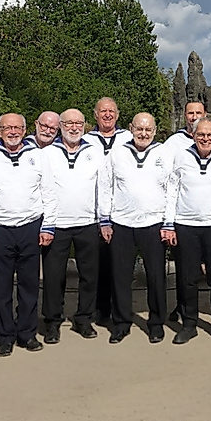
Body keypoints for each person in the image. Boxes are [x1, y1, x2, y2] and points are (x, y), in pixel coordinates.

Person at [0, 113, 57, 357]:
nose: (12, 132)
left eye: (17, 127)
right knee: (1, 286)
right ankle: (5, 336)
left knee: (29, 285)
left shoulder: (37, 156)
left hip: (31, 227)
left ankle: (27, 334)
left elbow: (49, 193)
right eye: (7, 128)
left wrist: (48, 226)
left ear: (24, 130)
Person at [98, 113, 171, 345]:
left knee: (156, 277)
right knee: (120, 277)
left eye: (148, 129)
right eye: (139, 129)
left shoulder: (164, 153)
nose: (143, 133)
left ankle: (157, 323)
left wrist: (168, 222)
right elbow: (105, 185)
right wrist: (104, 220)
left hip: (153, 224)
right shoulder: (117, 153)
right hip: (122, 223)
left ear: (155, 130)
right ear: (131, 128)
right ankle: (121, 323)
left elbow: (173, 189)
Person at [163, 117, 211, 345]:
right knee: (187, 278)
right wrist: (169, 223)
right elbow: (172, 190)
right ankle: (189, 325)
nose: (205, 139)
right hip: (186, 225)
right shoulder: (182, 156)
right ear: (193, 135)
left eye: (210, 135)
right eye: (201, 135)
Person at [39, 109, 104, 343]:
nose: (74, 127)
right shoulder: (47, 154)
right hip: (57, 224)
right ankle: (52, 322)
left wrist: (103, 218)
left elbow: (103, 187)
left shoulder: (94, 153)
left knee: (89, 275)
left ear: (85, 125)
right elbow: (43, 190)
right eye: (69, 123)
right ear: (61, 126)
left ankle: (84, 319)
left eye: (78, 123)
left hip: (88, 223)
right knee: (54, 276)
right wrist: (46, 224)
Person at [87, 97, 133, 327]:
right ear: (95, 115)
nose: (107, 115)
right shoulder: (86, 140)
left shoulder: (128, 138)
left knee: (119, 264)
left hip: (122, 212)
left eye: (111, 111)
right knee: (97, 263)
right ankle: (100, 309)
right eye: (103, 111)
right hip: (93, 211)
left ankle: (119, 310)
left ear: (117, 114)